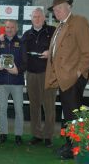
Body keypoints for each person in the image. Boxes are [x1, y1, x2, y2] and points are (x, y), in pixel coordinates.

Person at [46, 0, 89, 159]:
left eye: (60, 8)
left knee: (72, 114)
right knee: (68, 113)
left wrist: (79, 72)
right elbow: (60, 50)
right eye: (55, 10)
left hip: (73, 77)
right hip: (63, 77)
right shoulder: (61, 26)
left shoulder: (79, 22)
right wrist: (50, 54)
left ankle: (74, 149)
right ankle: (69, 145)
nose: (57, 12)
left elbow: (88, 51)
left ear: (69, 7)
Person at [21, 8, 56, 147]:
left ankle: (48, 136)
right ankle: (37, 135)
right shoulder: (26, 34)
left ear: (44, 18)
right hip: (31, 74)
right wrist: (2, 38)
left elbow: (61, 47)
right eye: (34, 17)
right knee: (34, 106)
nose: (37, 19)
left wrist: (51, 52)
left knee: (49, 106)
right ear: (31, 18)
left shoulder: (52, 31)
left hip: (48, 74)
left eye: (39, 17)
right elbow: (18, 47)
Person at [0, 20, 27, 145]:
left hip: (17, 81)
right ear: (5, 28)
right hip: (2, 81)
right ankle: (3, 133)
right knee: (2, 109)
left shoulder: (22, 43)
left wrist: (17, 70)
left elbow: (25, 63)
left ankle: (18, 135)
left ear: (16, 29)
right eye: (7, 27)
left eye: (12, 27)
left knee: (19, 109)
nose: (9, 29)